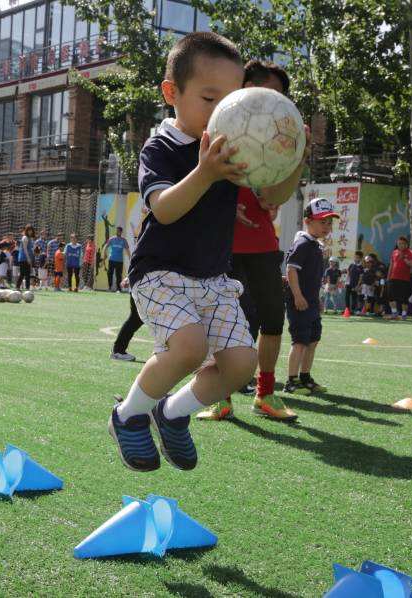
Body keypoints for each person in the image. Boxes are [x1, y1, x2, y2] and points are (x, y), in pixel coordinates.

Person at [108, 32, 305, 472]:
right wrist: (204, 172)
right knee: (189, 347)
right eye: (209, 98)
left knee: (240, 363)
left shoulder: (231, 149)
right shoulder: (162, 146)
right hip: (160, 272)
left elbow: (274, 193)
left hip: (213, 277)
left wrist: (294, 157)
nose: (223, 112)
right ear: (171, 94)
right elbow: (164, 209)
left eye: (232, 100)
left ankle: (172, 414)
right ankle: (127, 415)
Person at [198, 59, 295, 421]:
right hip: (220, 245)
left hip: (262, 246)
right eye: (269, 92)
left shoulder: (279, 137)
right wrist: (225, 207)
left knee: (273, 319)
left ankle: (266, 394)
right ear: (246, 89)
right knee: (219, 322)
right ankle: (218, 396)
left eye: (281, 96)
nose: (276, 101)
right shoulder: (220, 125)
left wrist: (296, 155)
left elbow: (276, 197)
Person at [284, 199, 339, 397]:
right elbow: (291, 269)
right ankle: (291, 381)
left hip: (311, 302)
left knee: (313, 340)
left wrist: (318, 299)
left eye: (329, 222)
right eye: (322, 222)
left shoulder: (315, 245)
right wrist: (297, 296)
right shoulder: (303, 243)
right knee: (299, 341)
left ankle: (305, 377)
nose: (327, 226)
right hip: (300, 302)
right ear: (308, 221)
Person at [386, 236, 412, 319]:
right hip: (393, 277)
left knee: (404, 298)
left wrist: (405, 259)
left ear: (406, 244)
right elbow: (391, 265)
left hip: (404, 278)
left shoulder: (410, 252)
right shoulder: (394, 252)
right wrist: (388, 277)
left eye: (402, 244)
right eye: (399, 243)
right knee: (390, 296)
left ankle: (404, 314)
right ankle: (394, 313)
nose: (400, 245)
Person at [111, 293, 143, 361]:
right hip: (145, 288)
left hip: (144, 288)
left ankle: (118, 350)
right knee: (136, 319)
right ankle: (118, 350)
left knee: (136, 319)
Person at [103, 227, 130, 292]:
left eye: (119, 231)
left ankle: (119, 289)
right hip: (111, 259)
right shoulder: (112, 239)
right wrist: (104, 254)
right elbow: (106, 247)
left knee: (119, 275)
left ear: (121, 232)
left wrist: (130, 258)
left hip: (120, 261)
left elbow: (127, 250)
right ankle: (109, 287)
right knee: (110, 274)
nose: (117, 232)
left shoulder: (124, 240)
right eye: (117, 231)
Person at [15, 225, 36, 290]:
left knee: (27, 274)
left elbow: (30, 249)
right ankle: (17, 287)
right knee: (22, 273)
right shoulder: (25, 238)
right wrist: (28, 258)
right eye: (29, 230)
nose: (30, 232)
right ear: (26, 231)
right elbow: (24, 249)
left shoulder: (30, 238)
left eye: (31, 230)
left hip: (28, 257)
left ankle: (27, 288)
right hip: (23, 258)